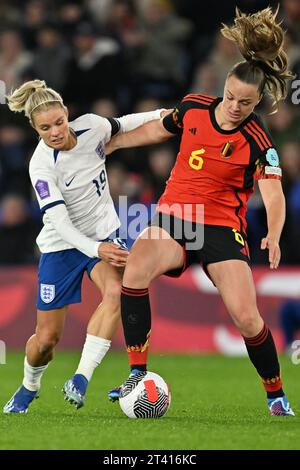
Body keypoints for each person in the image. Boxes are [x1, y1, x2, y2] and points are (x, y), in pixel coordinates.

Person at [105, 7, 295, 416]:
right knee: (135, 271)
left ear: (257, 100)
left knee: (247, 319)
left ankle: (276, 395)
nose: (233, 106)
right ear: (223, 87)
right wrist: (117, 143)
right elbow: (160, 128)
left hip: (222, 229)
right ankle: (138, 373)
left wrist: (274, 233)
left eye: (245, 103)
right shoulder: (194, 107)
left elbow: (273, 193)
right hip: (175, 217)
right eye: (230, 97)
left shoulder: (258, 138)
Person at [3, 79, 166, 413]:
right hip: (61, 247)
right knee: (46, 341)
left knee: (118, 292)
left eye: (59, 122)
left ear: (67, 114)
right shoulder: (41, 166)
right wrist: (96, 250)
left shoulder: (91, 127)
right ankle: (29, 385)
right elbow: (60, 222)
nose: (55, 132)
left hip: (104, 234)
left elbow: (126, 122)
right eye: (45, 128)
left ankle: (81, 377)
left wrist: (164, 113)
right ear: (36, 129)